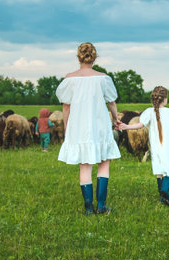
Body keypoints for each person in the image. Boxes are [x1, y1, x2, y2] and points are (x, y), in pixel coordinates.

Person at [55, 42, 121, 215]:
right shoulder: (103, 78)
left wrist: (68, 128)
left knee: (85, 167)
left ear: (79, 57)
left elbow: (66, 108)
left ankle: (88, 208)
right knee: (104, 163)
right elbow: (112, 102)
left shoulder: (69, 79)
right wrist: (116, 119)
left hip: (79, 128)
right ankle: (101, 205)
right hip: (100, 126)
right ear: (94, 57)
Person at [118, 86, 169, 206]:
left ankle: (162, 198)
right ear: (165, 99)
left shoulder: (148, 112)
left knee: (159, 170)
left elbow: (140, 125)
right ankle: (165, 191)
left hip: (156, 146)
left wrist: (126, 126)